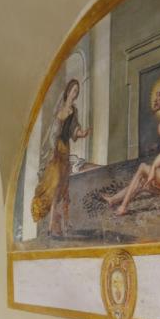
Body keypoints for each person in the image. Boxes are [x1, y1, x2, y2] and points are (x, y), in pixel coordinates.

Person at [103, 74, 160, 216]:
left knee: (142, 168)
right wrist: (155, 168)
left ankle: (123, 207)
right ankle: (114, 199)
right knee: (146, 177)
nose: (155, 98)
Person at [31, 78, 91, 235]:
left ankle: (63, 223)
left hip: (65, 150)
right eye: (73, 90)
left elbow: (74, 130)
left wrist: (82, 133)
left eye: (77, 92)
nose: (75, 94)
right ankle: (52, 224)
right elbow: (54, 132)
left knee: (64, 186)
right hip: (56, 150)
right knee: (55, 184)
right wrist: (53, 151)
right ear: (68, 91)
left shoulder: (74, 111)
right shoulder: (60, 109)